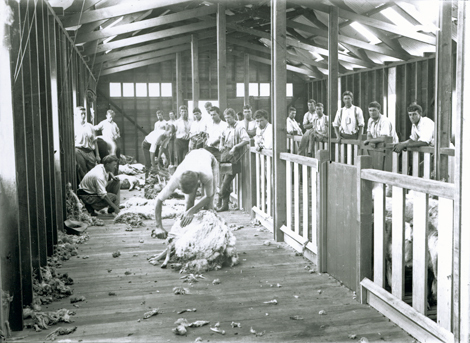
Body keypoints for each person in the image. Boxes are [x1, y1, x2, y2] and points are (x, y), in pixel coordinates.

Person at [152, 149, 219, 239]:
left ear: (197, 185)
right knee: (188, 205)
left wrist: (192, 210)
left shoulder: (207, 175)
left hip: (210, 160)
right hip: (193, 158)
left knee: (209, 207)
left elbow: (208, 196)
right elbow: (158, 200)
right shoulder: (177, 176)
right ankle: (188, 234)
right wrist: (158, 227)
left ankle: (210, 236)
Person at [216, 108, 250, 212]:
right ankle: (225, 205)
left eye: (229, 118)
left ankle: (219, 199)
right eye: (225, 118)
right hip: (225, 154)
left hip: (234, 156)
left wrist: (236, 147)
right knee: (223, 180)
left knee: (226, 181)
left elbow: (246, 139)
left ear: (234, 117)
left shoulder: (240, 127)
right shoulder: (225, 127)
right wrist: (221, 145)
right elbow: (221, 137)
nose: (227, 120)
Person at [74, 106, 100, 182]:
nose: (83, 116)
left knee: (93, 171)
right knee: (82, 171)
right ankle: (84, 189)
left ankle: (92, 188)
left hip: (89, 151)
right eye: (81, 114)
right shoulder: (73, 126)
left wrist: (97, 155)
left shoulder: (90, 126)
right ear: (76, 114)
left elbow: (95, 141)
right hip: (79, 151)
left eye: (84, 114)